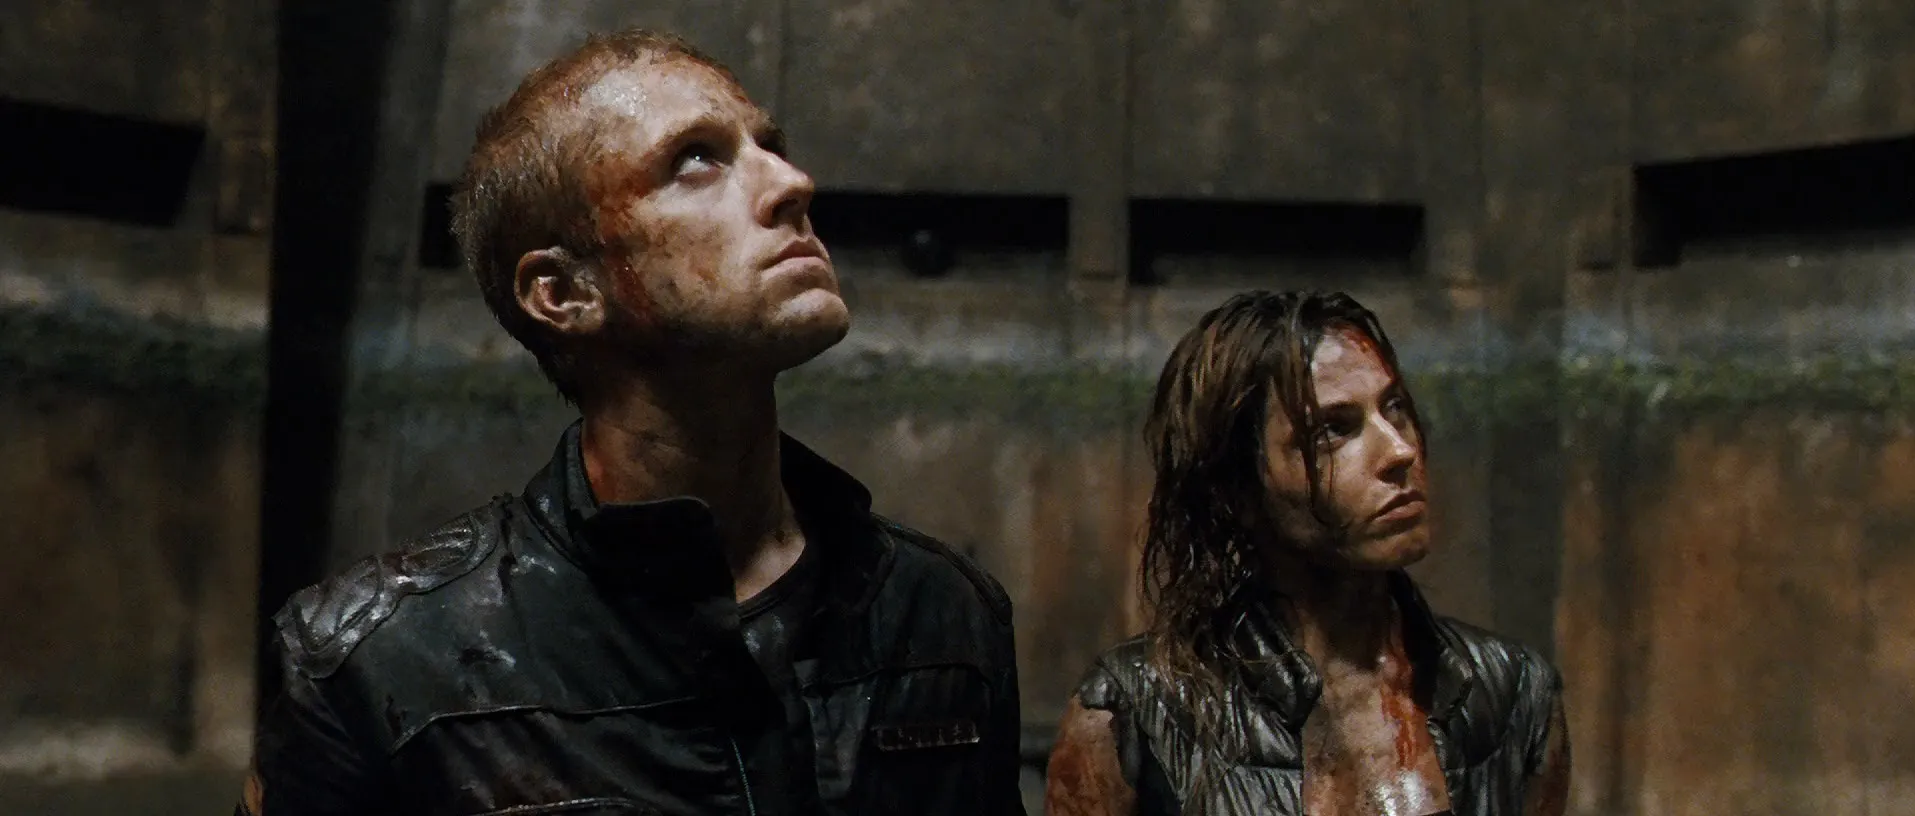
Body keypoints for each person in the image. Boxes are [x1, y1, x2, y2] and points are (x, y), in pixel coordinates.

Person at [237, 29, 1024, 816]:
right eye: (696, 160)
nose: (793, 183)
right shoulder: (379, 664)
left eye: (771, 147)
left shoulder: (942, 614)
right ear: (562, 293)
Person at [1044, 290, 1569, 815]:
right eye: (1333, 430)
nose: (1400, 451)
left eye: (1395, 409)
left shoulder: (1513, 695)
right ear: (1238, 490)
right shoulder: (1134, 711)